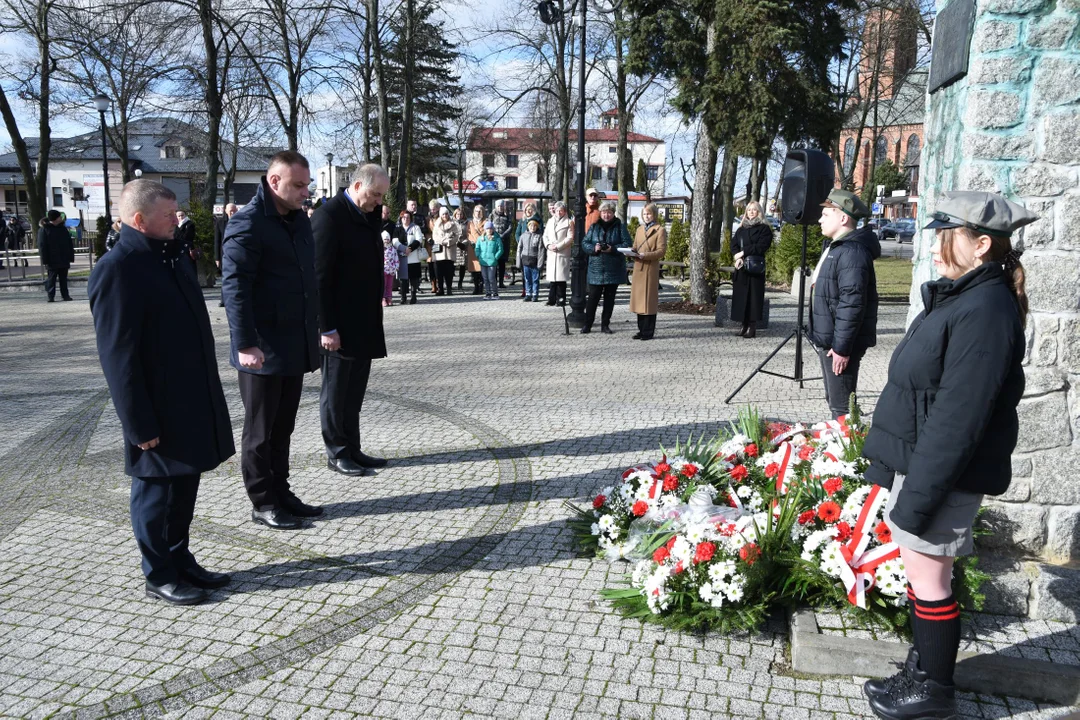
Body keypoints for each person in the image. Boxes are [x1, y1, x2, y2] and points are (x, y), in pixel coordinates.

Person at [860, 192, 1036, 720]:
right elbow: (920, 395)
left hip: (939, 473)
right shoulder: (964, 296)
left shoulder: (985, 308)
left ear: (982, 245)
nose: (935, 247)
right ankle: (921, 674)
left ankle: (933, 693)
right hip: (921, 465)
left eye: (947, 236)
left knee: (931, 581)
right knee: (924, 578)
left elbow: (959, 418)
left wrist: (917, 496)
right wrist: (888, 465)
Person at [87, 179, 235, 606]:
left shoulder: (170, 258)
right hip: (155, 408)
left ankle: (180, 559)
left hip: (189, 399)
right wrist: (138, 423)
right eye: (170, 215)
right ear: (139, 220)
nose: (178, 220)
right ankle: (158, 574)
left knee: (184, 486)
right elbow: (118, 356)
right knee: (155, 492)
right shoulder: (118, 268)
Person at [222, 150, 322, 531]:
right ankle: (262, 501)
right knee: (260, 432)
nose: (304, 192)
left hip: (294, 342)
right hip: (261, 349)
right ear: (274, 181)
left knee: (284, 427)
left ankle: (282, 492)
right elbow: (235, 289)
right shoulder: (248, 223)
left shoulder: (297, 221)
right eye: (298, 185)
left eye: (306, 184)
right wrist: (245, 343)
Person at [312, 163, 391, 478]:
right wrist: (326, 327)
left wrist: (372, 216)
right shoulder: (329, 217)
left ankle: (353, 447)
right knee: (335, 393)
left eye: (382, 197)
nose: (378, 202)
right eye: (375, 195)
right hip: (338, 327)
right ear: (358, 185)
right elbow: (319, 279)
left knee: (353, 392)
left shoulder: (365, 215)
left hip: (363, 324)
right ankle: (337, 452)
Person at [809, 189, 881, 419]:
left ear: (842, 218)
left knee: (842, 410)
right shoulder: (838, 247)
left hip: (839, 345)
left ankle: (849, 452)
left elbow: (852, 303)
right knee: (836, 402)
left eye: (826, 214)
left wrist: (841, 348)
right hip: (830, 340)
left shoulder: (851, 252)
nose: (820, 219)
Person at [581, 200, 629, 334]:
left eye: (609, 212)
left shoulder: (620, 226)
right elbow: (584, 243)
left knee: (609, 299)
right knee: (592, 299)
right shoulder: (594, 227)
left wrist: (612, 248)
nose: (606, 215)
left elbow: (627, 243)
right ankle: (587, 324)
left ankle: (605, 325)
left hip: (613, 269)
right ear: (600, 213)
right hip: (595, 269)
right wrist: (594, 248)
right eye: (603, 212)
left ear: (613, 213)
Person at [730, 200, 773, 338]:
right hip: (742, 267)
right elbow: (734, 244)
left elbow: (761, 246)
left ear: (759, 212)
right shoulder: (741, 229)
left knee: (754, 297)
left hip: (755, 267)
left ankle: (752, 327)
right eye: (749, 210)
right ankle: (743, 325)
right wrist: (737, 258)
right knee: (741, 296)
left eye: (755, 210)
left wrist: (743, 253)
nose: (752, 212)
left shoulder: (764, 229)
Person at [629, 203, 667, 340]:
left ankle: (648, 331)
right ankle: (641, 329)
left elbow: (661, 251)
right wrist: (631, 251)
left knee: (648, 302)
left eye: (649, 214)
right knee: (639, 301)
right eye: (644, 214)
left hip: (650, 269)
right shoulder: (639, 229)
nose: (646, 216)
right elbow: (635, 246)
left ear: (654, 214)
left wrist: (646, 255)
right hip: (639, 268)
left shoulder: (660, 230)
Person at [38, 210, 74, 302]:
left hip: (63, 258)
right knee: (51, 279)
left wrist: (70, 256)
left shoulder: (63, 228)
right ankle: (51, 295)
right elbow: (42, 245)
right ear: (55, 218)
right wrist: (45, 260)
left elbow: (69, 243)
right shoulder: (45, 229)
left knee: (63, 279)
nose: (61, 218)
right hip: (52, 259)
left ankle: (65, 295)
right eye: (59, 216)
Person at [544, 202, 573, 306]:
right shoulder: (550, 221)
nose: (559, 212)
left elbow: (570, 237)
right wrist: (548, 245)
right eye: (557, 210)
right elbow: (545, 236)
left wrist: (559, 246)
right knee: (552, 279)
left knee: (561, 279)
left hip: (562, 252)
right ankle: (551, 299)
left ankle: (561, 299)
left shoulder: (569, 222)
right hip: (552, 253)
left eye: (561, 210)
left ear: (564, 211)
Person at [396, 210, 426, 305]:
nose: (406, 219)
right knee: (403, 279)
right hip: (402, 257)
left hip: (413, 258)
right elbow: (395, 241)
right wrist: (403, 249)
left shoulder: (416, 228)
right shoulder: (398, 229)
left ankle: (413, 296)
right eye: (404, 217)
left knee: (414, 279)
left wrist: (410, 249)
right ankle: (403, 297)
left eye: (408, 217)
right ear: (401, 218)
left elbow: (419, 239)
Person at [515, 202, 543, 297]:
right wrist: (521, 242)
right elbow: (517, 233)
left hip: (534, 250)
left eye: (531, 210)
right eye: (527, 210)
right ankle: (526, 290)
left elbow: (541, 232)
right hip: (525, 250)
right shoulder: (522, 220)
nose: (529, 211)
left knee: (534, 276)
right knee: (525, 274)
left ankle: (534, 292)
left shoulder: (537, 220)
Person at [213, 203, 238, 307]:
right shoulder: (220, 222)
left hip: (238, 254)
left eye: (234, 210)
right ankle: (224, 300)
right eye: (230, 211)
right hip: (225, 255)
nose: (232, 213)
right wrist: (217, 258)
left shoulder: (241, 220)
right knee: (225, 278)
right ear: (226, 211)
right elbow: (217, 241)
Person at [431, 206, 459, 295]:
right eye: (443, 214)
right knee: (439, 272)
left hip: (450, 250)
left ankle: (449, 288)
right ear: (440, 215)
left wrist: (449, 241)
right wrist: (443, 241)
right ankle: (440, 289)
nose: (445, 215)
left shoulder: (453, 224)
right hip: (439, 252)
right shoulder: (437, 224)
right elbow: (435, 237)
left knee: (449, 272)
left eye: (446, 213)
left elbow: (457, 236)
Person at [475, 221, 503, 299]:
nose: (489, 230)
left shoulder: (496, 239)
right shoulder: (480, 239)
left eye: (490, 228)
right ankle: (488, 293)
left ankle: (495, 293)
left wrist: (495, 257)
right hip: (483, 261)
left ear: (493, 229)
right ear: (485, 229)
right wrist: (478, 256)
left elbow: (500, 249)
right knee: (485, 278)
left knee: (491, 278)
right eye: (487, 228)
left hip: (492, 262)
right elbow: (477, 248)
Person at [491, 200, 513, 288]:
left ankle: (501, 282)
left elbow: (510, 227)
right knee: (495, 262)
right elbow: (489, 226)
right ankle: (494, 282)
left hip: (504, 242)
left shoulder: (507, 215)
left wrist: (503, 235)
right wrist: (495, 235)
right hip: (494, 241)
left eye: (501, 206)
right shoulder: (491, 215)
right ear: (496, 207)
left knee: (502, 263)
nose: (500, 208)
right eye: (498, 206)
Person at [465, 205, 486, 295]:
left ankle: (481, 287)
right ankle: (475, 286)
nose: (478, 213)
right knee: (473, 268)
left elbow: (485, 233)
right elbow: (468, 233)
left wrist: (478, 239)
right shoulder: (470, 223)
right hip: (472, 247)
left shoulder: (486, 221)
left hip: (482, 247)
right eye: (476, 211)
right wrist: (473, 240)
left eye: (480, 211)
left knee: (481, 269)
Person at [426, 198, 442, 294]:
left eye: (434, 209)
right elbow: (426, 230)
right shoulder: (427, 219)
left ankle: (440, 285)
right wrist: (428, 238)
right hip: (430, 244)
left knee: (438, 266)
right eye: (431, 209)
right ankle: (433, 285)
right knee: (430, 265)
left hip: (439, 243)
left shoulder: (441, 218)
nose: (433, 211)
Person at [453, 207, 469, 291]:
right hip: (454, 245)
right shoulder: (452, 223)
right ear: (455, 215)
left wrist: (464, 242)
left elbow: (468, 234)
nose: (459, 216)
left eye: (461, 214)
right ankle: (450, 283)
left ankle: (460, 282)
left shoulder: (466, 223)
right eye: (458, 214)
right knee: (452, 266)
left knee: (462, 266)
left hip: (463, 245)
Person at [382, 231, 398, 306]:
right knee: (383, 285)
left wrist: (396, 266)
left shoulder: (393, 249)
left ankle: (389, 298)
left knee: (390, 285)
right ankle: (383, 298)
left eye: (387, 239)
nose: (386, 241)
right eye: (385, 239)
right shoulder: (381, 249)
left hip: (391, 270)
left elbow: (396, 258)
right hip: (384, 270)